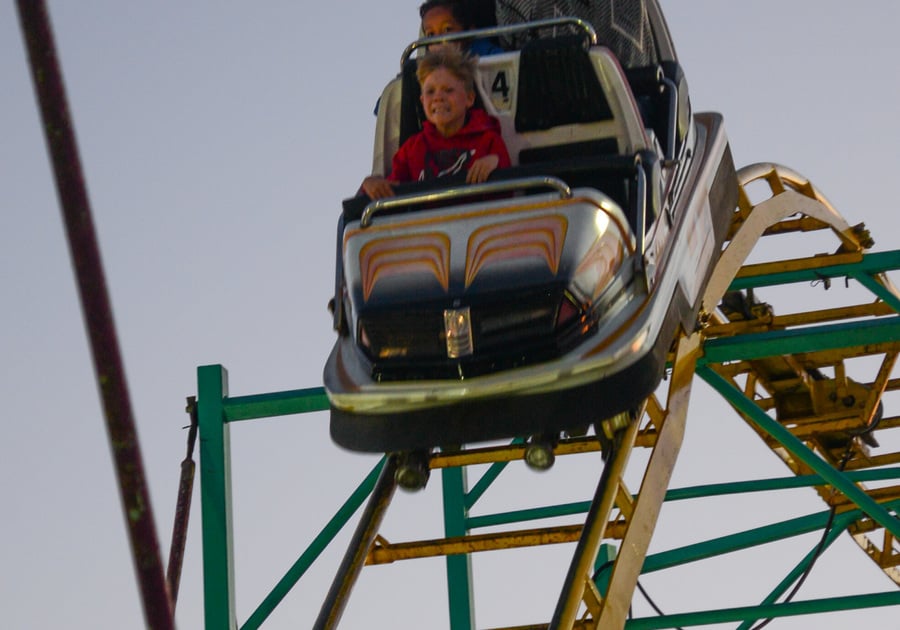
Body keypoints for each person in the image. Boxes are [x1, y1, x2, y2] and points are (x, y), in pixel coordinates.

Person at [361, 47, 511, 199]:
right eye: (430, 91)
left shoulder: (489, 140)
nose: (438, 97)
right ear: (422, 100)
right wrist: (370, 184)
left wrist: (495, 163)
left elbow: (510, 192)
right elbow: (389, 192)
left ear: (469, 98)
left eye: (448, 90)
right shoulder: (411, 149)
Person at [419, 0, 504, 56]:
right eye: (431, 34)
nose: (438, 40)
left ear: (470, 32)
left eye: (447, 29)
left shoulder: (489, 55)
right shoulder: (428, 69)